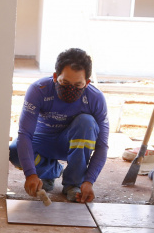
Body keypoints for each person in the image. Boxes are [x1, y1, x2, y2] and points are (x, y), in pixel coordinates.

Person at [10, 48, 109, 203]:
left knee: (86, 122)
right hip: (42, 142)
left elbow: (102, 146)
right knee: (15, 151)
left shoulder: (95, 98)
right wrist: (30, 174)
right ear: (55, 77)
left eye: (78, 85)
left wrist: (88, 181)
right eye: (65, 82)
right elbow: (25, 134)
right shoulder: (39, 90)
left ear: (87, 83)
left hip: (72, 145)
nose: (71, 89)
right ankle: (49, 172)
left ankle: (73, 183)